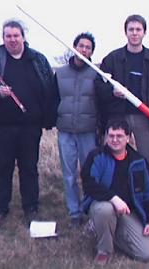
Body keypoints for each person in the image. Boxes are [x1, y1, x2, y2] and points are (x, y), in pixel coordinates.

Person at [94, 14, 149, 237]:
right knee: (108, 167)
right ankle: (100, 219)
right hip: (117, 120)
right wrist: (111, 92)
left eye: (138, 29)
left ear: (144, 32)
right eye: (131, 29)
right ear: (125, 31)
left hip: (145, 120)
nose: (135, 33)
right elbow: (98, 88)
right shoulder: (112, 59)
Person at [0, 19, 58, 230]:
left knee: (29, 168)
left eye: (16, 35)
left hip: (30, 127)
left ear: (23, 36)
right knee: (2, 169)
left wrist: (47, 117)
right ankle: (0, 209)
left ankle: (31, 208)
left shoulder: (38, 59)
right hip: (1, 127)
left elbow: (50, 88)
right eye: (8, 36)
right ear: (3, 38)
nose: (12, 40)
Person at [81, 119, 149, 266]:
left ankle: (104, 230)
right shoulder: (96, 156)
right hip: (103, 204)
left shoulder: (139, 162)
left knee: (146, 254)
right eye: (111, 136)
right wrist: (113, 198)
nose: (114, 140)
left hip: (128, 212)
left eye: (119, 136)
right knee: (105, 210)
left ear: (128, 138)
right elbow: (89, 183)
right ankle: (104, 250)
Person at [55, 32, 98, 228]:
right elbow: (52, 99)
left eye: (88, 47)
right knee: (69, 174)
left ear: (91, 52)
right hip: (65, 131)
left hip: (88, 131)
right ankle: (74, 212)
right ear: (74, 47)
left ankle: (90, 208)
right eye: (81, 46)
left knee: (89, 173)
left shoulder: (97, 74)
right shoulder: (60, 73)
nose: (84, 50)